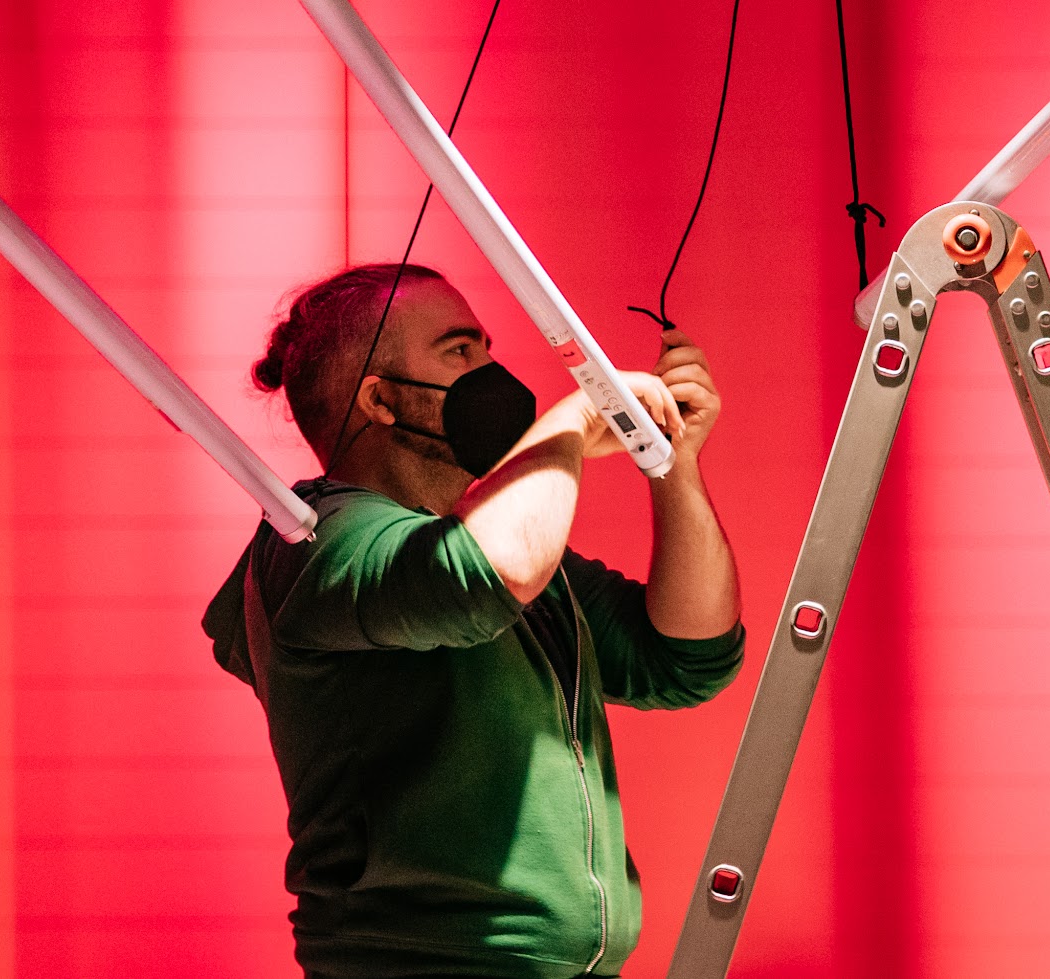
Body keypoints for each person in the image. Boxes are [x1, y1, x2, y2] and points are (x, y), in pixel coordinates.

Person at [205, 262, 744, 979]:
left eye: (486, 349)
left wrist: (671, 461)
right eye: (460, 352)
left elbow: (685, 653)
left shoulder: (467, 542)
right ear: (382, 398)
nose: (492, 373)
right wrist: (577, 419)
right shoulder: (313, 540)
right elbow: (490, 575)